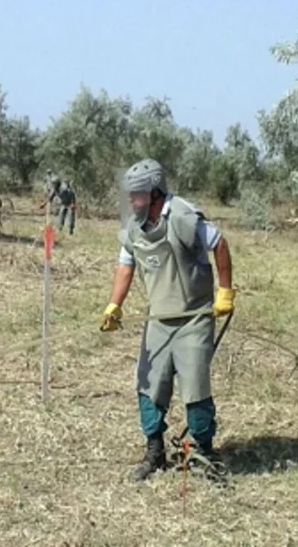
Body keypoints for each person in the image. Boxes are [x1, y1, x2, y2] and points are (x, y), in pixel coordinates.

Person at [99, 157, 235, 482]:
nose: (132, 201)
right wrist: (113, 306)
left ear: (155, 193)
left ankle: (203, 452)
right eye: (129, 196)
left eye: (138, 195)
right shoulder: (135, 226)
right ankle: (155, 451)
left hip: (194, 317)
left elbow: (220, 244)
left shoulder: (183, 216)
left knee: (195, 387)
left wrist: (225, 291)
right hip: (158, 319)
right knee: (148, 384)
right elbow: (126, 265)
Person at [40, 169, 77, 235]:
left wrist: (73, 203)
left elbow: (72, 194)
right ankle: (60, 229)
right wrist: (44, 204)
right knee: (61, 216)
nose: (54, 185)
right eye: (53, 184)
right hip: (63, 203)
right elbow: (50, 198)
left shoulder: (64, 188)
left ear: (58, 183)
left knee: (71, 217)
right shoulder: (55, 190)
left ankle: (71, 230)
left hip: (70, 203)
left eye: (55, 184)